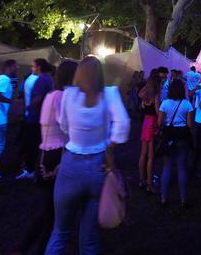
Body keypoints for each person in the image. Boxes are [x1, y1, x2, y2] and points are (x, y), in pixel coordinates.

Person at [44, 56, 130, 255]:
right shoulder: (109, 94)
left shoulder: (69, 95)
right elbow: (123, 123)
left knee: (60, 231)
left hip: (71, 165)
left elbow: (63, 125)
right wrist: (109, 144)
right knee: (89, 236)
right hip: (97, 167)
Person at [11, 60, 78, 255]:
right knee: (52, 215)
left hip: (46, 152)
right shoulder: (63, 97)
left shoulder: (51, 95)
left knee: (50, 210)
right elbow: (69, 128)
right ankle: (32, 249)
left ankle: (23, 248)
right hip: (56, 156)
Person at [158, 78, 194, 207]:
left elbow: (159, 122)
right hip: (183, 137)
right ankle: (183, 199)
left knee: (167, 167)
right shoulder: (187, 104)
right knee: (181, 167)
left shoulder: (165, 103)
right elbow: (190, 124)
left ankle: (163, 198)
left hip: (169, 137)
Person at [17, 59, 54, 180]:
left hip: (34, 118)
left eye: (33, 66)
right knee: (36, 144)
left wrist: (27, 107)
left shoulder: (41, 80)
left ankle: (30, 170)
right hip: (41, 117)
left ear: (39, 67)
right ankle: (35, 168)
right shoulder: (48, 79)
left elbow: (38, 98)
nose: (32, 68)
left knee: (31, 145)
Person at [138, 72, 161, 192]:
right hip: (152, 124)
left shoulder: (145, 95)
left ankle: (141, 180)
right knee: (151, 156)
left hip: (145, 123)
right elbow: (157, 112)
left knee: (143, 154)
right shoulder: (155, 96)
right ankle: (149, 184)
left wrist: (146, 85)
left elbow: (139, 93)